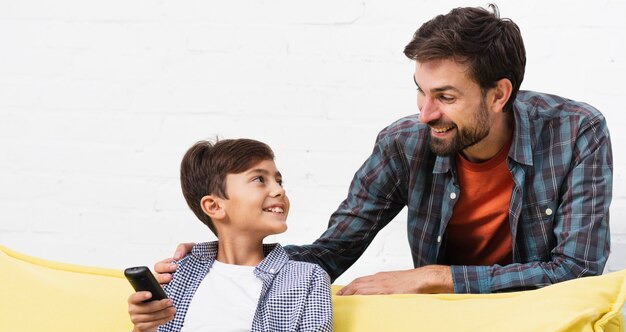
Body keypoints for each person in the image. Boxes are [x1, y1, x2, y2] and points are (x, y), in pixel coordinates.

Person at [155, 5, 612, 296]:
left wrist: (433, 277)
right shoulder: (404, 144)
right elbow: (332, 252)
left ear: (498, 95)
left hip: (539, 324)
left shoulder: (576, 132)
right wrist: (221, 259)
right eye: (421, 91)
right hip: (446, 325)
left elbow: (576, 271)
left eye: (446, 97)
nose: (426, 113)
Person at [0, 139, 333, 332]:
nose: (278, 190)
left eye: (279, 180)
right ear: (214, 206)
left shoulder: (303, 279)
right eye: (260, 179)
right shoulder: (183, 271)